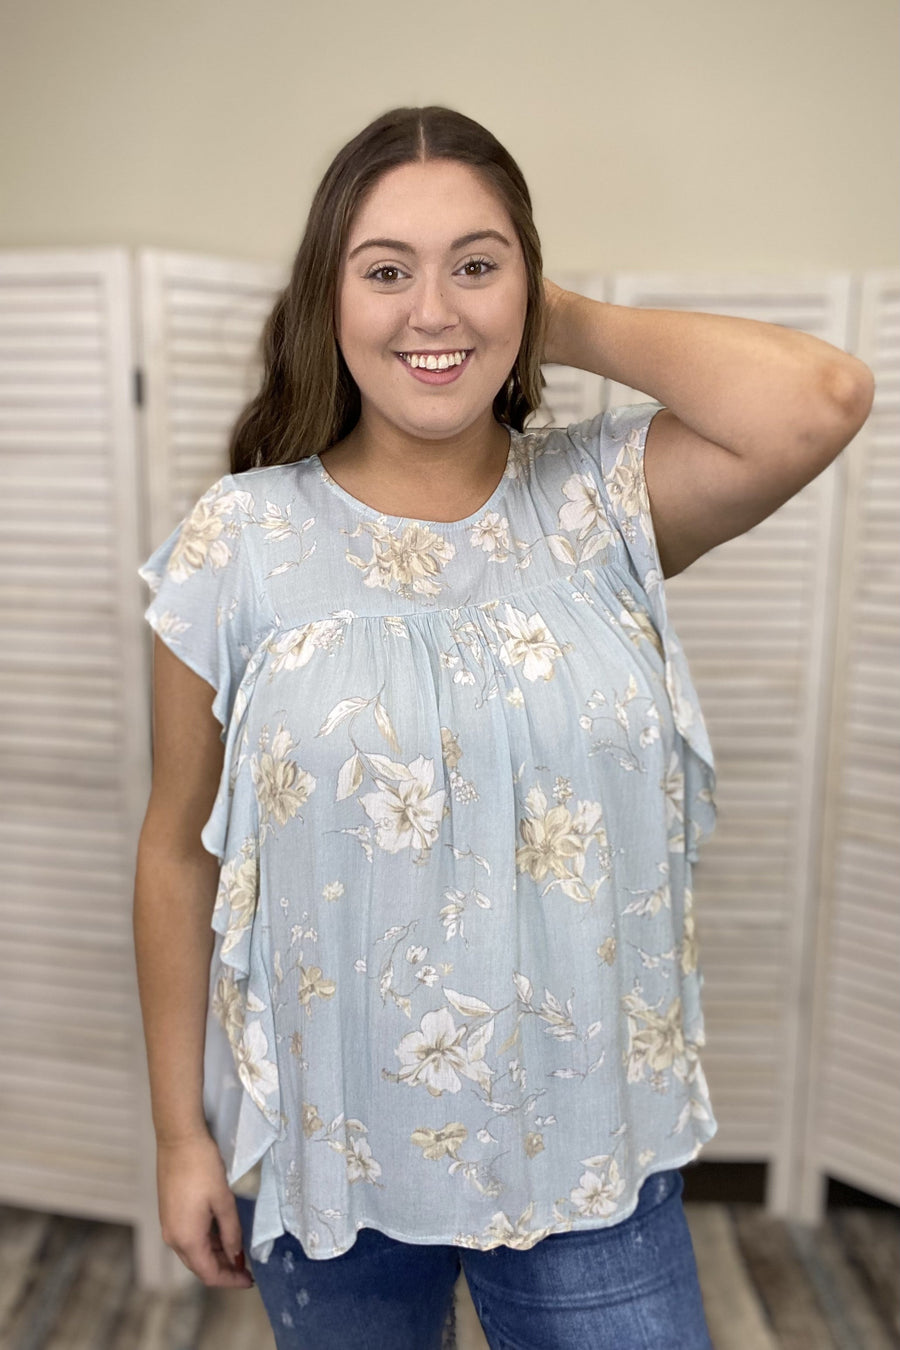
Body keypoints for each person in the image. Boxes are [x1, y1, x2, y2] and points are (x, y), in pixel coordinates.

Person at [132, 104, 873, 1349]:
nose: (432, 311)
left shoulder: (600, 503)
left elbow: (823, 395)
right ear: (326, 298)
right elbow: (173, 852)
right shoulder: (239, 542)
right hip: (331, 1149)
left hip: (588, 1153)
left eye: (475, 264)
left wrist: (535, 312)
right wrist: (177, 1138)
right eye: (386, 273)